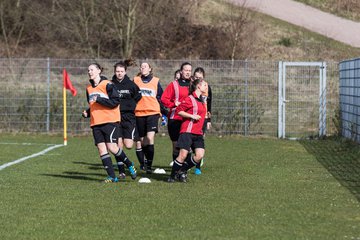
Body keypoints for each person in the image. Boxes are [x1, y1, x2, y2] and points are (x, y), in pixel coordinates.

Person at [82, 63, 137, 183]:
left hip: (110, 121)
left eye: (92, 70)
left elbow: (115, 102)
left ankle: (129, 164)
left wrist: (99, 99)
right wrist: (87, 112)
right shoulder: (89, 88)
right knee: (102, 149)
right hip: (95, 122)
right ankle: (112, 177)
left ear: (98, 71)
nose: (89, 72)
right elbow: (94, 105)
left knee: (112, 147)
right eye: (88, 70)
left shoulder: (108, 84)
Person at [167, 78, 207, 183]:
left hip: (198, 133)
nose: (206, 87)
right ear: (198, 86)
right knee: (182, 155)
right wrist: (191, 116)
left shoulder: (202, 100)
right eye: (204, 85)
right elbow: (179, 111)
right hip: (187, 132)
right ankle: (172, 176)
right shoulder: (190, 99)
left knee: (199, 155)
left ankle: (182, 170)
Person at [111, 59, 142, 179]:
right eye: (117, 71)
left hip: (129, 117)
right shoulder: (111, 84)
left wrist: (130, 105)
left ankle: (129, 163)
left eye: (121, 71)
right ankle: (122, 171)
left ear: (125, 72)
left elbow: (138, 96)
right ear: (115, 71)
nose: (119, 73)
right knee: (118, 145)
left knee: (128, 145)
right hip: (115, 116)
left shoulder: (131, 84)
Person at [134, 61, 166, 174]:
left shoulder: (155, 81)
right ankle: (144, 163)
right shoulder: (136, 80)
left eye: (145, 66)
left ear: (150, 69)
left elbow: (161, 98)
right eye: (141, 66)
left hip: (153, 112)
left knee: (150, 138)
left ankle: (149, 165)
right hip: (139, 113)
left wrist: (164, 114)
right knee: (142, 141)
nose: (143, 68)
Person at [161, 62, 192, 168]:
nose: (187, 72)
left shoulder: (193, 84)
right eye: (186, 70)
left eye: (189, 70)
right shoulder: (174, 84)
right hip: (175, 119)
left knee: (187, 146)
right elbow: (164, 99)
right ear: (181, 71)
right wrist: (174, 104)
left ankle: (184, 170)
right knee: (176, 146)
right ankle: (176, 169)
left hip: (188, 120)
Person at [192, 67, 212, 175]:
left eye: (200, 77)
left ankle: (198, 166)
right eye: (196, 77)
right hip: (192, 117)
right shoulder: (191, 87)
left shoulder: (207, 88)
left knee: (200, 140)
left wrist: (208, 120)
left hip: (203, 118)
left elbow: (209, 104)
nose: (198, 79)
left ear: (203, 78)